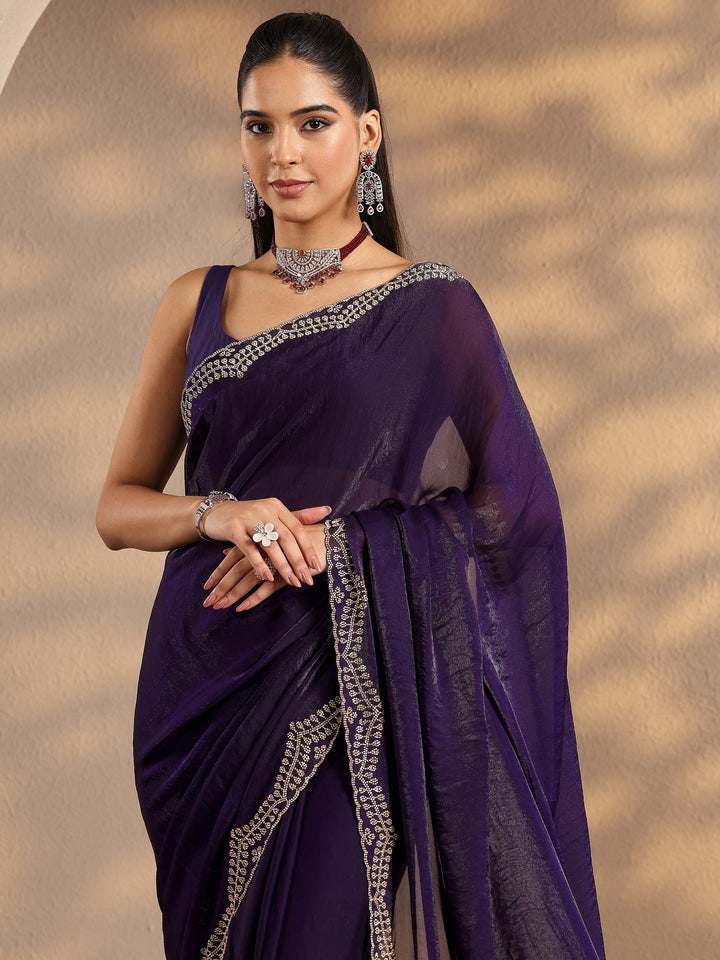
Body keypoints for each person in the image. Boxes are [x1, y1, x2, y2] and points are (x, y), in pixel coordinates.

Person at [96, 11, 606, 960]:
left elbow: (515, 518)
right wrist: (221, 514)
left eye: (313, 123)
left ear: (367, 134)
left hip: (346, 679)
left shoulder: (435, 307)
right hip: (200, 698)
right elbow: (117, 507)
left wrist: (343, 547)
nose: (282, 152)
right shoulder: (195, 300)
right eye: (259, 126)